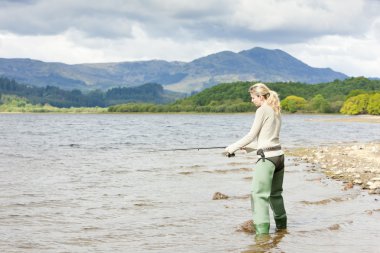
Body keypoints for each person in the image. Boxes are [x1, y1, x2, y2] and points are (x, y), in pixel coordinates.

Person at [224, 82, 287, 235]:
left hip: (267, 160)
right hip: (279, 157)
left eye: (253, 97)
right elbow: (269, 138)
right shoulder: (275, 109)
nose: (252, 100)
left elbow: (251, 135)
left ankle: (262, 236)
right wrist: (250, 148)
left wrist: (231, 148)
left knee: (258, 195)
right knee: (275, 194)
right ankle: (282, 229)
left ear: (260, 96)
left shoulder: (262, 110)